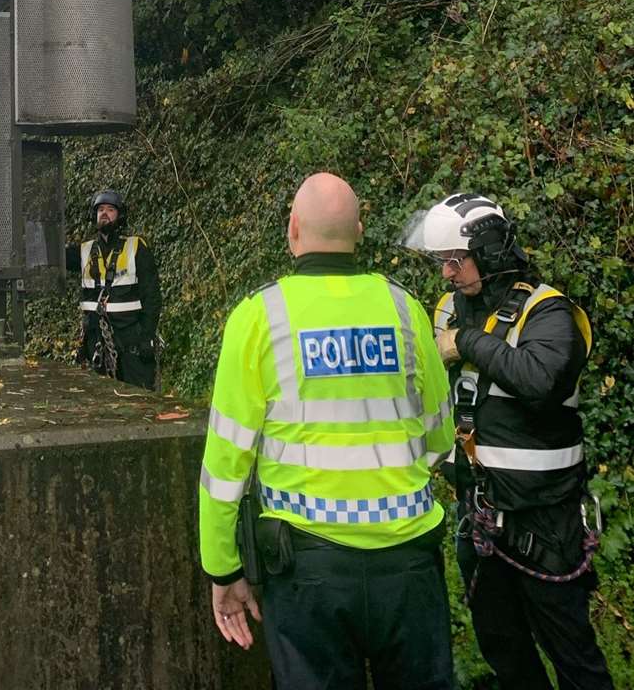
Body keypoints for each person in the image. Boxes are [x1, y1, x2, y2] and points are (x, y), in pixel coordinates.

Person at [199, 172, 455, 690]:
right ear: (359, 230)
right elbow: (439, 439)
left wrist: (224, 570)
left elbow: (226, 466)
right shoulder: (405, 309)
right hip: (408, 567)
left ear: (292, 230)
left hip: (305, 570)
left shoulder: (257, 318)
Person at [403, 193, 613, 690]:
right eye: (440, 263)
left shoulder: (548, 312)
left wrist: (468, 342)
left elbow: (541, 380)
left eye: (454, 260)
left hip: (545, 521)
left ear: (491, 252)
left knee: (574, 657)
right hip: (479, 515)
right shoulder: (448, 308)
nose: (446, 274)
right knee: (504, 649)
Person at [64, 189, 161, 390]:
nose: (104, 213)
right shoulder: (84, 251)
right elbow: (48, 254)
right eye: (100, 209)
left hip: (130, 338)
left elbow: (152, 296)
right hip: (96, 338)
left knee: (138, 397)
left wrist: (147, 336)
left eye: (110, 209)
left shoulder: (135, 248)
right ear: (94, 215)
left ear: (120, 215)